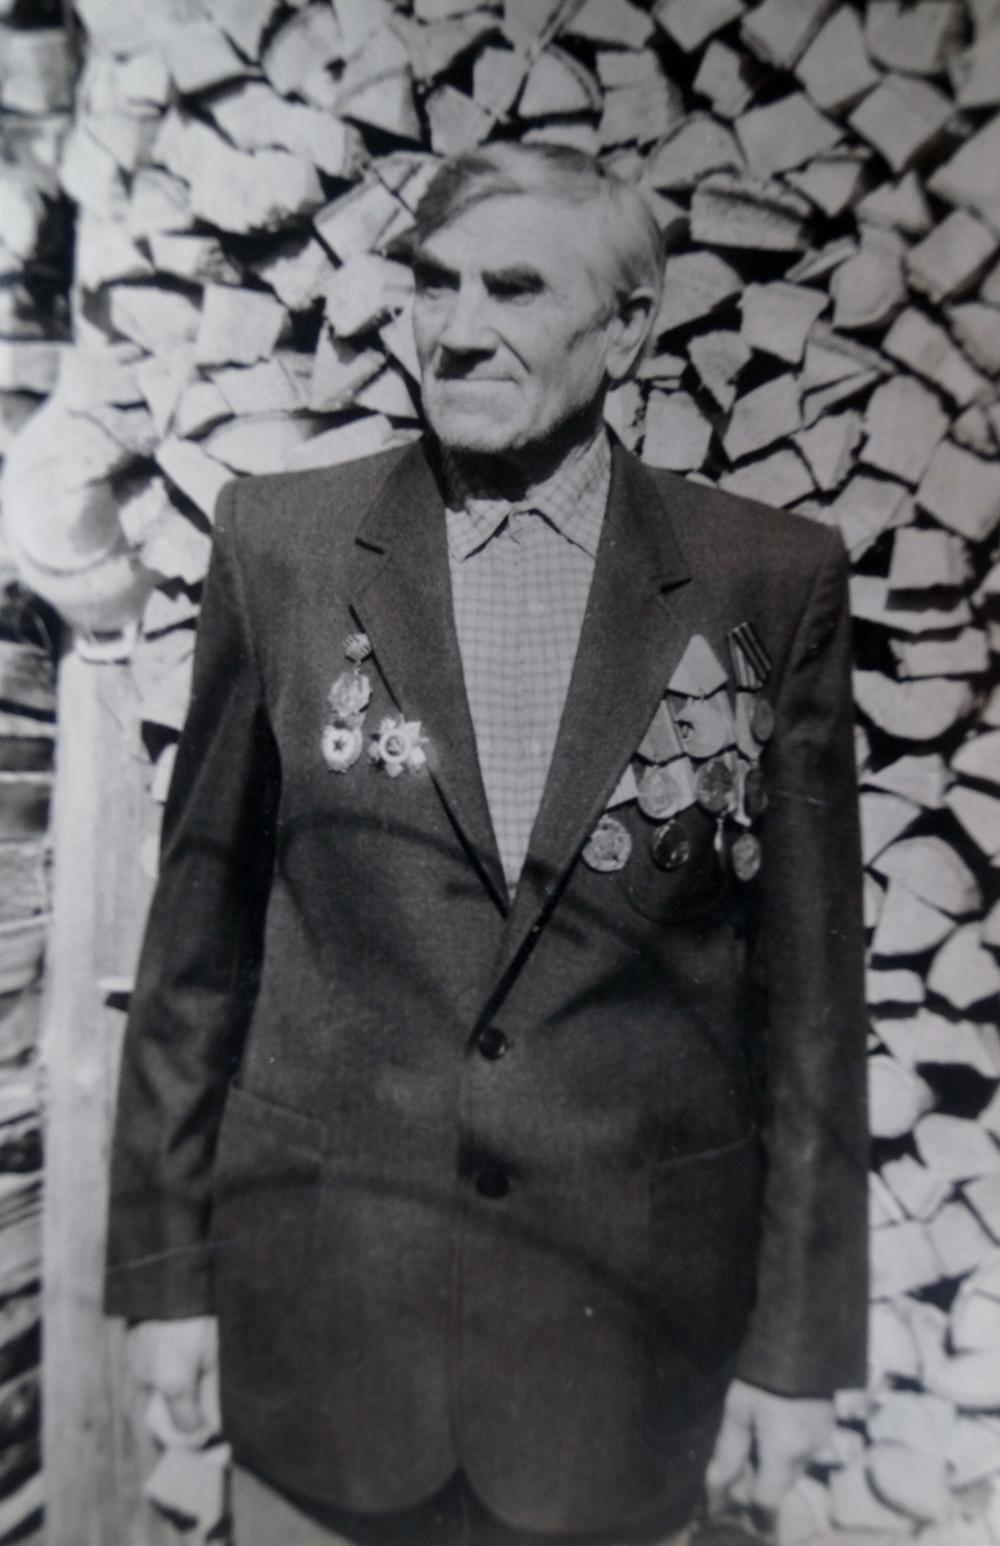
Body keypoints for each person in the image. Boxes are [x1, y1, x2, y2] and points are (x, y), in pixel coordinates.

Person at [105, 144, 868, 1546]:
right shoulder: (283, 546)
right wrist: (162, 1278)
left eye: (514, 289)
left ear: (626, 327)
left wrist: (799, 1348)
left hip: (620, 1364)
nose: (455, 330)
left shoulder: (769, 581)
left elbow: (813, 1011)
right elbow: (195, 946)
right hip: (326, 1342)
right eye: (433, 284)